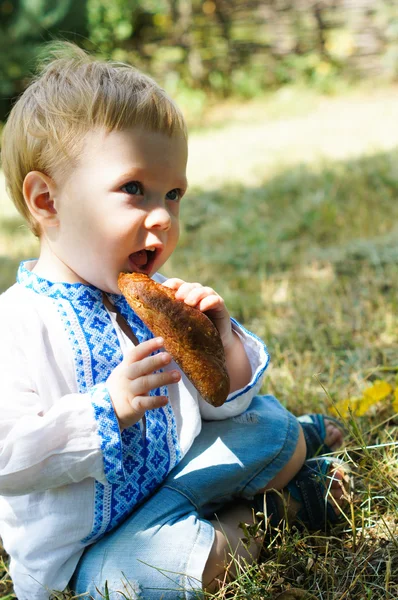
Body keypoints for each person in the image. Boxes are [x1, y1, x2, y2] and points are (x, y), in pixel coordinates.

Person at [0, 42, 348, 600]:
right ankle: (274, 510)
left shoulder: (154, 296)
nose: (163, 215)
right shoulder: (18, 323)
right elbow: (8, 457)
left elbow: (218, 404)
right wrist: (103, 411)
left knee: (269, 425)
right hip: (94, 550)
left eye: (174, 194)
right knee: (144, 581)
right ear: (48, 201)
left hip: (183, 475)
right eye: (134, 189)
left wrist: (222, 340)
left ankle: (292, 445)